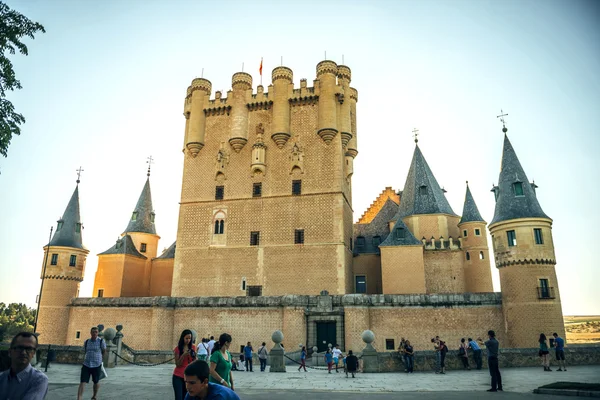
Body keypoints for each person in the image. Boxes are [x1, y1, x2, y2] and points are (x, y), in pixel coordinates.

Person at [0, 332, 48, 400]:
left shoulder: (39, 380)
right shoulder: (1, 378)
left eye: (29, 349)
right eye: (19, 348)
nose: (23, 352)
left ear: (33, 353)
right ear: (10, 352)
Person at [77, 326, 107, 400]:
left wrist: (100, 360)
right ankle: (79, 398)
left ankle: (94, 395)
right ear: (90, 333)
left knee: (96, 381)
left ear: (98, 333)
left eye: (96, 332)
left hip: (97, 364)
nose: (94, 333)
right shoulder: (87, 342)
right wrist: (81, 359)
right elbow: (84, 351)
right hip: (86, 364)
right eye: (93, 332)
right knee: (82, 381)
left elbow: (104, 351)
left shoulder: (101, 341)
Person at [173, 329, 197, 400]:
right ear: (182, 338)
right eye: (186, 338)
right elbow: (178, 364)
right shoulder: (178, 349)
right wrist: (183, 355)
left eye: (189, 338)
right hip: (178, 376)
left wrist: (194, 356)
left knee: (186, 397)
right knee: (179, 397)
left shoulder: (193, 347)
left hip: (188, 377)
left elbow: (194, 362)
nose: (188, 340)